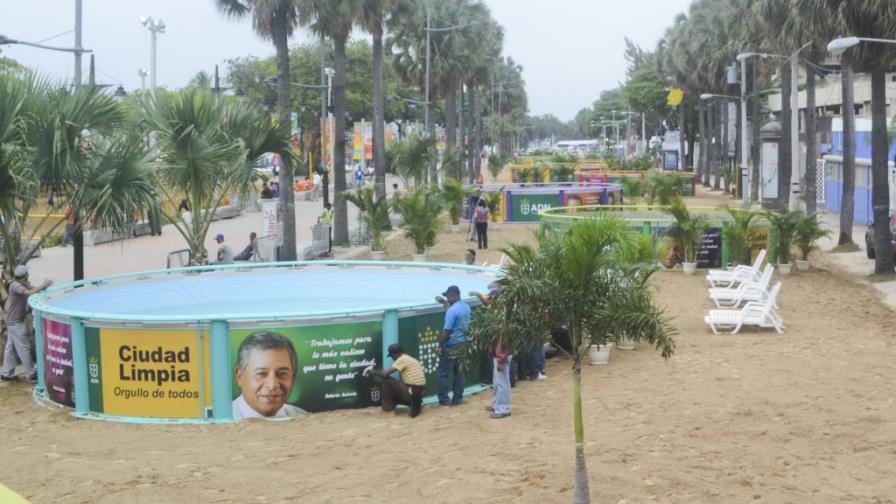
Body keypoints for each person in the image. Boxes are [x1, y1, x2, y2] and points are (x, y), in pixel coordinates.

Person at [232, 331, 305, 419]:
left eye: (282, 374)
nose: (272, 385)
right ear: (239, 376)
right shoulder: (219, 421)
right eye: (261, 374)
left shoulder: (303, 417)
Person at [2, 265, 52, 382]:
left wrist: (43, 288)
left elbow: (33, 289)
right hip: (15, 323)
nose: (28, 275)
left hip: (12, 321)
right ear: (24, 276)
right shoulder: (15, 285)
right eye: (27, 274)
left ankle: (6, 373)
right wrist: (43, 285)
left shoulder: (23, 283)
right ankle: (31, 373)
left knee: (10, 347)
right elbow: (28, 293)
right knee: (24, 347)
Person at [470, 287, 511, 418]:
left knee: (502, 381)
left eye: (492, 299)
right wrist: (478, 295)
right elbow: (487, 303)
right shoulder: (500, 310)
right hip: (499, 353)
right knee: (498, 381)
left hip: (502, 354)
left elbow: (503, 339)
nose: (490, 301)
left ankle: (503, 409)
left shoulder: (502, 316)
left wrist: (501, 359)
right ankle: (496, 405)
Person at [363, 343, 426, 417]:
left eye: (391, 356)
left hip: (413, 392)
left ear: (394, 354)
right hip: (420, 392)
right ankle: (417, 403)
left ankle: (388, 410)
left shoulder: (402, 359)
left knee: (386, 381)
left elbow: (385, 374)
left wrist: (374, 372)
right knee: (396, 389)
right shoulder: (411, 359)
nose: (392, 358)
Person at [433, 285, 470, 406]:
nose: (447, 299)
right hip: (463, 343)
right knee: (459, 372)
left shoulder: (452, 310)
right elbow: (453, 314)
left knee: (442, 373)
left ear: (455, 295)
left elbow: (447, 330)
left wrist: (440, 346)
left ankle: (444, 400)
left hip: (451, 345)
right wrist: (444, 303)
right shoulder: (466, 307)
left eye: (448, 297)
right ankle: (458, 399)